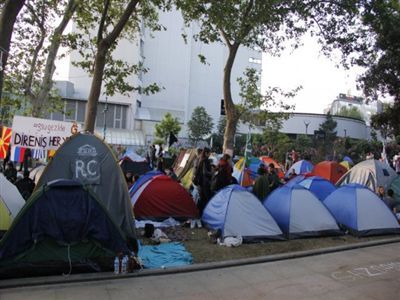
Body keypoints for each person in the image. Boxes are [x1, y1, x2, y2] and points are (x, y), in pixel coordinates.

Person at [196, 148, 212, 215]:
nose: (209, 155)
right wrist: (212, 173)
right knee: (206, 199)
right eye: (209, 153)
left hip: (200, 182)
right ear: (206, 153)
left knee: (202, 198)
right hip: (205, 183)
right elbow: (205, 172)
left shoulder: (200, 159)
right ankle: (204, 214)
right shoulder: (205, 160)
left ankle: (198, 214)